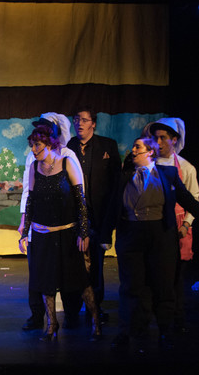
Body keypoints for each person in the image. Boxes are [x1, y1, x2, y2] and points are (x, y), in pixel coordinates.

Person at [110, 137, 199, 350]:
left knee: (163, 285)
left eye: (137, 147)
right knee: (131, 286)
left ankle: (165, 330)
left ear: (150, 152)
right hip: (131, 234)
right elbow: (111, 205)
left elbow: (187, 199)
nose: (133, 150)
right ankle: (128, 331)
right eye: (133, 147)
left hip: (160, 235)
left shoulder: (168, 174)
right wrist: (104, 235)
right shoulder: (124, 176)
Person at [18, 124, 101, 342]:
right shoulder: (34, 167)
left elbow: (80, 201)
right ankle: (51, 325)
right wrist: (24, 233)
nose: (33, 149)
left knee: (80, 281)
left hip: (67, 234)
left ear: (49, 144)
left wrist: (84, 232)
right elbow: (31, 202)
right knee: (46, 282)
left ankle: (95, 320)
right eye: (32, 145)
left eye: (37, 144)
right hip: (43, 235)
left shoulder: (67, 163)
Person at [66, 108, 121, 323]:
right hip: (73, 216)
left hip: (98, 216)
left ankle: (95, 309)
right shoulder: (68, 146)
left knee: (96, 265)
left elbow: (116, 183)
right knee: (73, 264)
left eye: (84, 120)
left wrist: (110, 220)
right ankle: (72, 311)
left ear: (93, 123)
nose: (79, 123)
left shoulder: (107, 146)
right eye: (76, 119)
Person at [148, 118, 198, 333]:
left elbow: (194, 198)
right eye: (155, 138)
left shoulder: (185, 167)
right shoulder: (149, 164)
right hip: (156, 225)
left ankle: (177, 318)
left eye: (163, 138)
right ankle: (158, 317)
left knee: (176, 277)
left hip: (178, 226)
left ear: (174, 140)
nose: (158, 142)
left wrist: (185, 225)